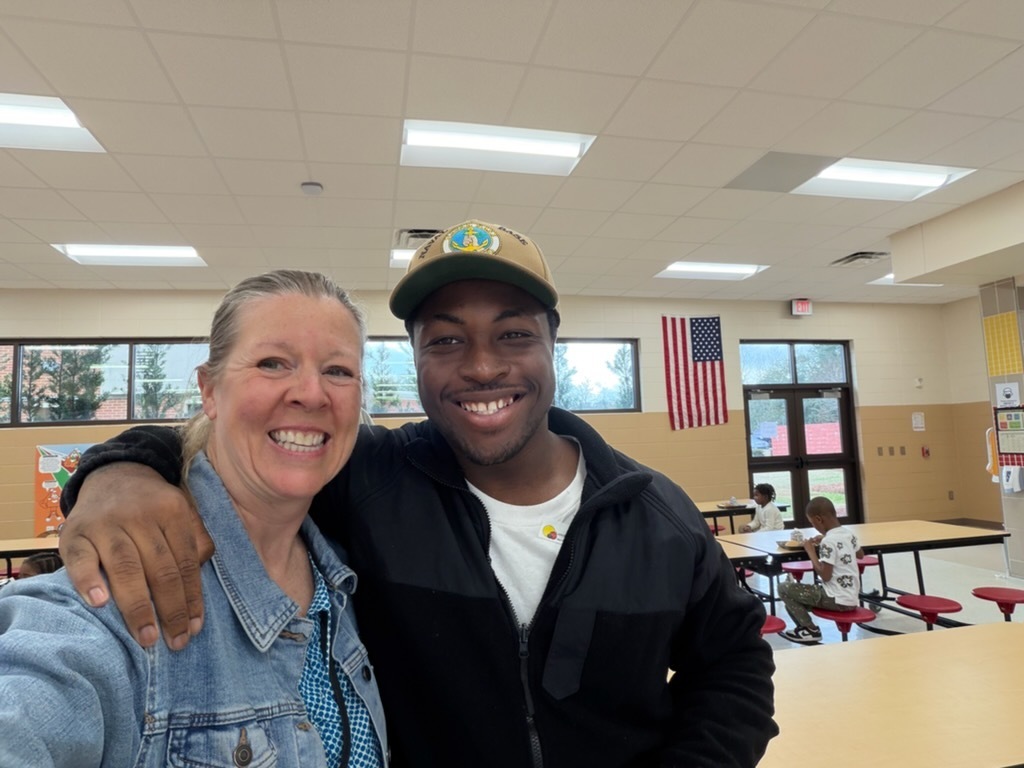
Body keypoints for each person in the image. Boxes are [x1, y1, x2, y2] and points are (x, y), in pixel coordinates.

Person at [57, 220, 777, 766]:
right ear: (416, 360)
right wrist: (118, 473)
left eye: (513, 334)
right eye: (446, 341)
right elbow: (244, 438)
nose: (483, 366)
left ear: (553, 345)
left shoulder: (655, 516)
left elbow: (737, 663)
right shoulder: (370, 480)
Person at [0, 270, 386, 766]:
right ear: (209, 389)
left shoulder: (343, 575)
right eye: (272, 363)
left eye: (338, 370)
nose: (311, 394)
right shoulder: (124, 590)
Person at [778, 497, 865, 645]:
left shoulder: (828, 542)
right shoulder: (848, 534)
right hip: (851, 598)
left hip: (834, 598)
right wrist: (826, 538)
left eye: (812, 523)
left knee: (784, 588)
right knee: (793, 599)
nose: (814, 526)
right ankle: (804, 629)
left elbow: (825, 575)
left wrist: (811, 551)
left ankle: (810, 629)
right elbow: (860, 554)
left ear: (818, 519)